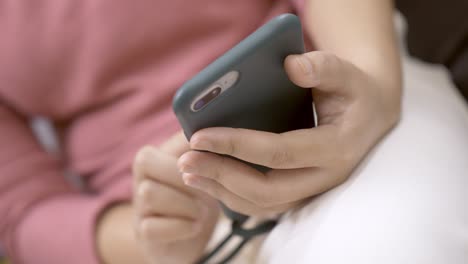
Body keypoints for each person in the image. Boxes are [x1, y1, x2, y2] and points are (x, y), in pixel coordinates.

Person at [1, 1, 467, 264]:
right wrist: (151, 238)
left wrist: (373, 85)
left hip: (340, 92)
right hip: (177, 228)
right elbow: (21, 211)